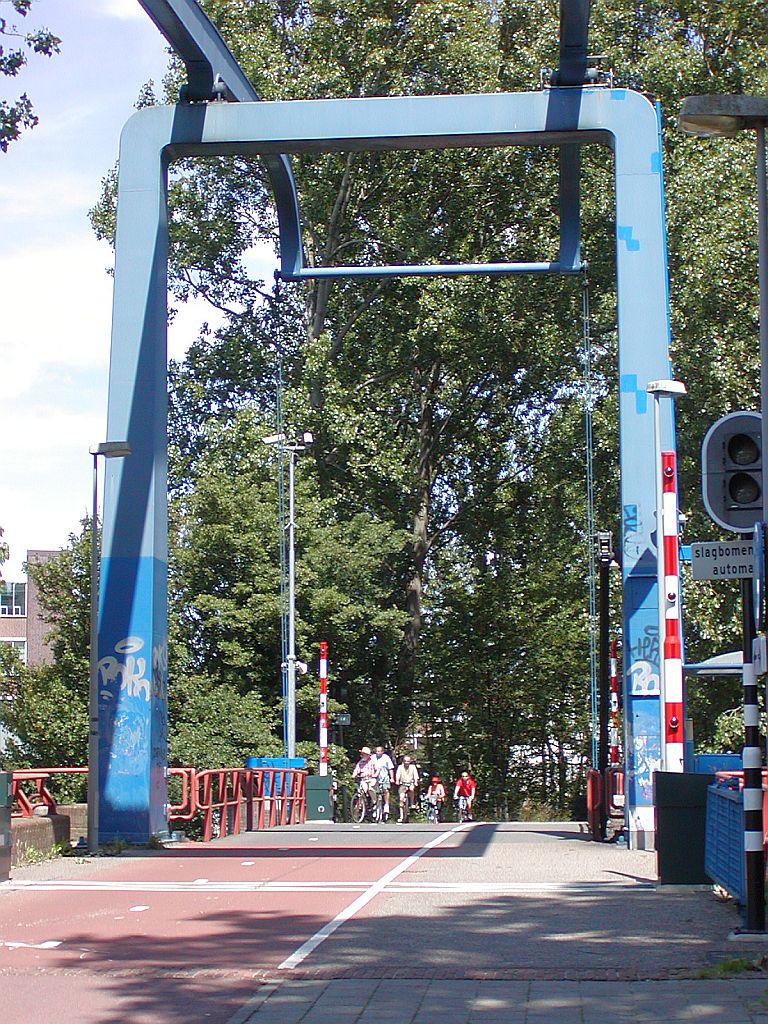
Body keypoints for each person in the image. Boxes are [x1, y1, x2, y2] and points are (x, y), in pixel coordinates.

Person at [372, 745, 395, 822]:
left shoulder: (386, 758)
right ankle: (375, 807)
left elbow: (390, 768)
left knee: (386, 790)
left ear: (382, 751)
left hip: (384, 777)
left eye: (379, 751)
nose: (378, 753)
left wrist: (392, 778)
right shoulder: (373, 757)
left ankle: (386, 805)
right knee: (373, 791)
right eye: (377, 751)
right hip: (375, 778)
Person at [352, 746, 379, 811]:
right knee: (361, 791)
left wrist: (375, 775)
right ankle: (361, 805)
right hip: (363, 779)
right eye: (362, 754)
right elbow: (357, 769)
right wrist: (354, 775)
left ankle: (374, 802)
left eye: (364, 754)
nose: (363, 755)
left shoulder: (372, 761)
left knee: (371, 788)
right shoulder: (360, 762)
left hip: (371, 779)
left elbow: (378, 769)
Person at [395, 754, 419, 823]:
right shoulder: (400, 767)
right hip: (403, 784)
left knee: (412, 789)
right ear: (403, 761)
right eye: (405, 761)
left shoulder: (413, 767)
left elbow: (416, 776)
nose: (406, 763)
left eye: (408, 761)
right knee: (401, 799)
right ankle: (401, 816)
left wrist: (416, 782)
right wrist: (397, 781)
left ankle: (411, 803)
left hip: (410, 783)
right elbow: (398, 775)